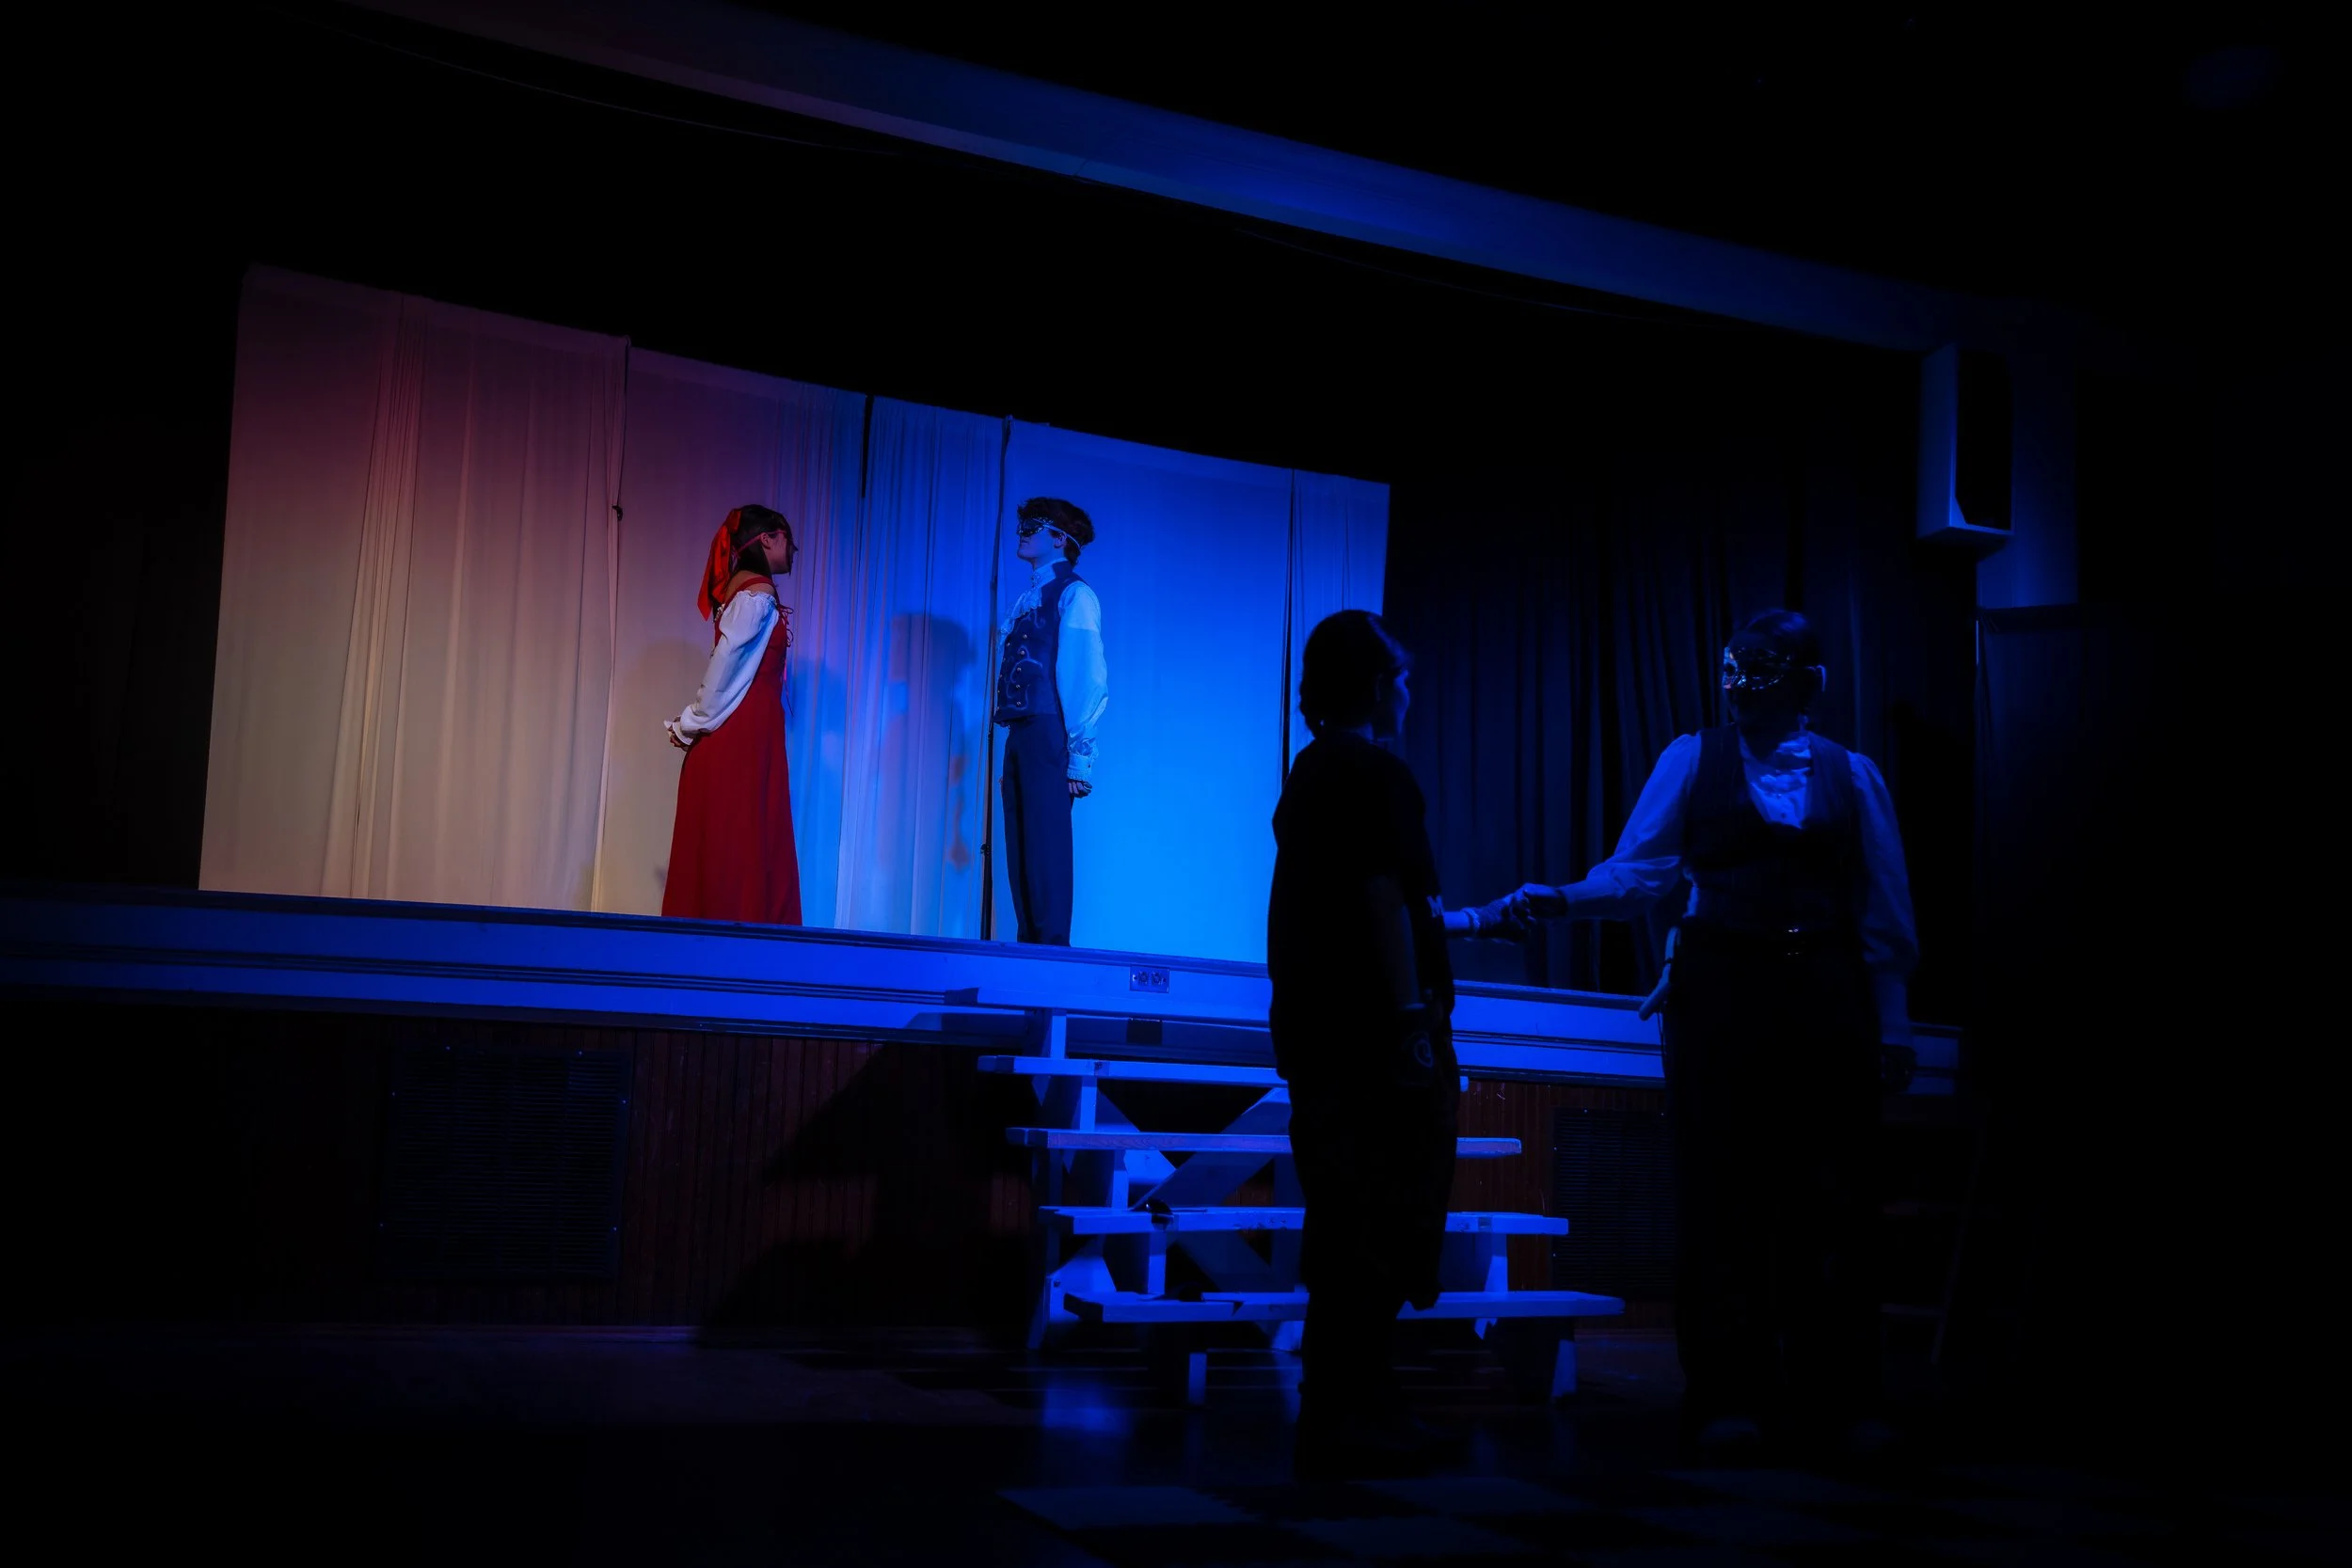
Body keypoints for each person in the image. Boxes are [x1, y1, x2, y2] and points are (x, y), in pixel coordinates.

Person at [1509, 609, 1918, 1459]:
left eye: (1764, 675)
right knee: (1722, 1196)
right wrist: (1563, 897)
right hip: (1724, 993)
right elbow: (1641, 873)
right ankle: (1728, 1393)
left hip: (1826, 995)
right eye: (1736, 675)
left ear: (1811, 683)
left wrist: (1894, 1026)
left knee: (1834, 1199)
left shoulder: (1855, 776)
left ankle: (1840, 1394)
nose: (1741, 695)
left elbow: (1884, 909)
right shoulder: (1691, 758)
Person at [1266, 610, 1522, 1479]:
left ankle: (1347, 1404)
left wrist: (1477, 921)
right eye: (1402, 678)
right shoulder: (1375, 772)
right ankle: (1356, 1410)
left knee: (1345, 1216)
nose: (1410, 693)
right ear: (1378, 685)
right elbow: (1382, 895)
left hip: (1321, 1032)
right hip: (1376, 1037)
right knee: (1379, 1216)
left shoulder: (1310, 771)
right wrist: (1412, 1020)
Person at [660, 504, 803, 925]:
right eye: (788, 540)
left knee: (747, 843)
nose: (793, 550)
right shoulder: (756, 597)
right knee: (740, 845)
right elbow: (724, 669)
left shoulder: (750, 593)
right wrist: (691, 723)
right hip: (738, 739)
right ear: (767, 538)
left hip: (750, 735)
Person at [992, 498, 1107, 945]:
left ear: (1059, 539)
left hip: (1048, 729)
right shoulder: (1027, 597)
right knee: (1021, 850)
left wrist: (1079, 755)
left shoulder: (1075, 594)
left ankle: (1052, 952)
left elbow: (1084, 675)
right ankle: (1030, 952)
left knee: (1046, 849)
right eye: (1022, 524)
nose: (1022, 531)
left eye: (1032, 526)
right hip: (1022, 732)